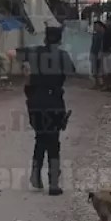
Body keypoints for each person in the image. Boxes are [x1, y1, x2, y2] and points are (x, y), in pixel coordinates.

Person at [23, 25, 75, 195]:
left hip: (36, 101)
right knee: (53, 142)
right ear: (59, 40)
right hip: (53, 101)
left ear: (45, 38)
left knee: (40, 138)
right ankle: (53, 183)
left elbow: (15, 57)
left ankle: (35, 175)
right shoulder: (63, 55)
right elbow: (71, 71)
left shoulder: (35, 52)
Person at [89, 20, 105, 87]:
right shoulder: (95, 35)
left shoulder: (103, 35)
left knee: (100, 69)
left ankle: (101, 83)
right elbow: (92, 44)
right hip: (93, 52)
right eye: (94, 26)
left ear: (101, 26)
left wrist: (100, 52)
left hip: (99, 53)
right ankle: (96, 84)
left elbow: (102, 44)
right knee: (94, 69)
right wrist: (90, 53)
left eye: (96, 26)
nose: (95, 28)